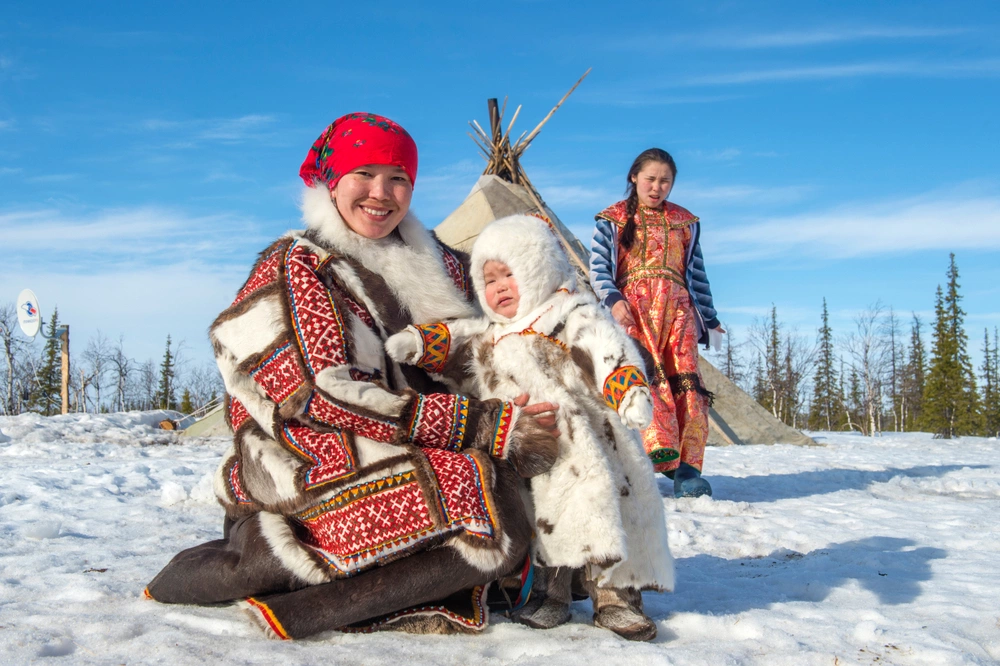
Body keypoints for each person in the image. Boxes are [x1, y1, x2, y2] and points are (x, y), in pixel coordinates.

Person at [145, 113, 562, 639]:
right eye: (364, 174)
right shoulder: (299, 265)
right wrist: (484, 425)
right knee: (469, 486)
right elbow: (323, 395)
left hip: (412, 430)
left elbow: (505, 328)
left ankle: (540, 575)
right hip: (310, 444)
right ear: (332, 181)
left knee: (562, 451)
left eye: (398, 179)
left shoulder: (442, 262)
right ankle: (307, 600)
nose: (380, 194)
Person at [385, 214, 674, 641]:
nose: (499, 287)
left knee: (604, 511)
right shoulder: (494, 332)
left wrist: (626, 386)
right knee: (544, 520)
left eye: (510, 274)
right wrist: (422, 343)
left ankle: (616, 597)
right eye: (489, 280)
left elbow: (604, 345)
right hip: (531, 449)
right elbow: (460, 339)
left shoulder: (568, 312)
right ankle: (552, 594)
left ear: (538, 267)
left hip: (589, 443)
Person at [590, 148, 724, 498]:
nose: (657, 187)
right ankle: (651, 459)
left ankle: (689, 471)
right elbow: (599, 268)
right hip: (634, 311)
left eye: (665, 181)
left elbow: (696, 275)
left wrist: (710, 318)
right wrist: (614, 300)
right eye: (650, 179)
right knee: (644, 377)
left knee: (687, 381)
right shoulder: (613, 219)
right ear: (634, 177)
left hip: (678, 313)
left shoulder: (684, 222)